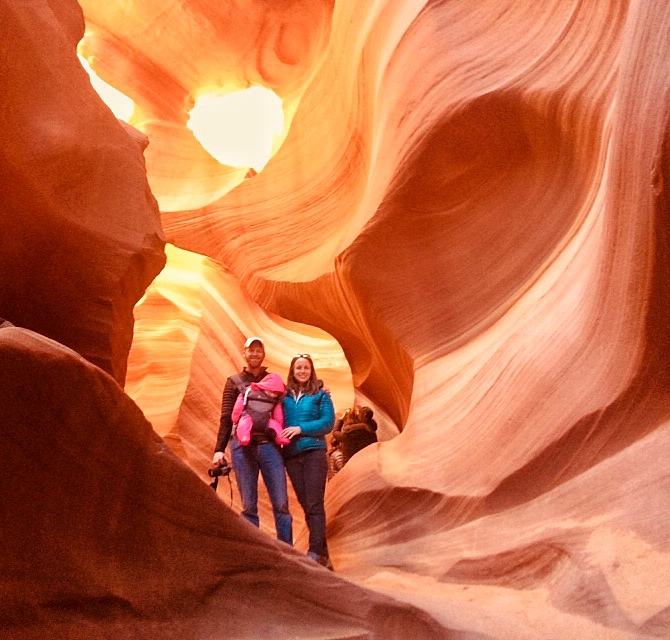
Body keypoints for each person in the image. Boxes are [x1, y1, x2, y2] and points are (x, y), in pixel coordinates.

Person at [212, 337, 293, 544]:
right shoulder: (233, 382)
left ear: (263, 354)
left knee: (281, 504)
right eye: (251, 350)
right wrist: (219, 450)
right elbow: (226, 416)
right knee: (248, 506)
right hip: (242, 447)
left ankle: (288, 553)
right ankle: (255, 552)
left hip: (269, 447)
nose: (255, 354)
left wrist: (320, 391)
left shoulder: (274, 381)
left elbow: (289, 407)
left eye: (259, 350)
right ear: (245, 353)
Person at [281, 354, 336, 568]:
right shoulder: (284, 397)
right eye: (298, 368)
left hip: (314, 452)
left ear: (311, 371)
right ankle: (322, 553)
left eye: (306, 368)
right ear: (293, 371)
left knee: (314, 504)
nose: (302, 371)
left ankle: (314, 552)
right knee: (306, 505)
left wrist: (301, 429)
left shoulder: (321, 395)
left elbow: (328, 423)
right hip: (292, 456)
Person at [231, 372, 290, 446]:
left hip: (266, 422)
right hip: (248, 417)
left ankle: (281, 438)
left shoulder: (276, 401)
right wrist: (235, 419)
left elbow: (278, 415)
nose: (273, 394)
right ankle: (244, 437)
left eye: (277, 393)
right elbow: (238, 406)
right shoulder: (249, 392)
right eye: (272, 391)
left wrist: (279, 425)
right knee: (244, 424)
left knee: (275, 426)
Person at [330, 405, 378, 469]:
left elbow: (336, 433)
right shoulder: (372, 432)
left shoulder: (354, 432)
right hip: (368, 464)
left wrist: (341, 419)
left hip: (351, 466)